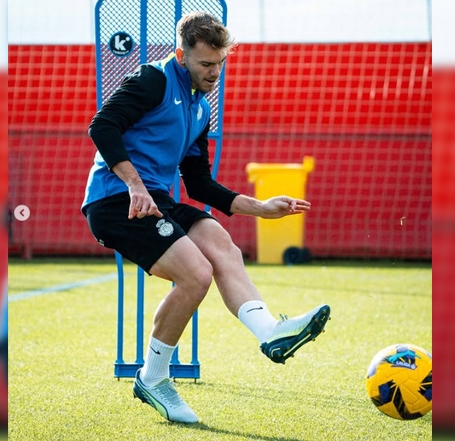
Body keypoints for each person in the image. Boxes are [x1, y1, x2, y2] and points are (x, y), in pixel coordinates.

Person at [82, 11, 330, 424]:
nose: (214, 72)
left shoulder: (200, 109)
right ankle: (154, 379)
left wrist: (262, 207)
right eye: (205, 64)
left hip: (157, 197)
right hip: (115, 201)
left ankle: (270, 332)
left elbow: (198, 184)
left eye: (220, 63)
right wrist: (134, 184)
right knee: (196, 273)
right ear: (182, 55)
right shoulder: (153, 79)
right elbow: (102, 126)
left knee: (221, 244)